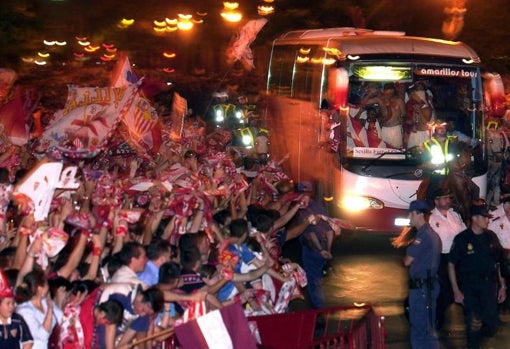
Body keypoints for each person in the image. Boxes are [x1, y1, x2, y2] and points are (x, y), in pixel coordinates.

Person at [448, 201, 507, 349]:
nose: (488, 220)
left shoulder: (491, 237)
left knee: (491, 323)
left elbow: (499, 262)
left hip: (489, 286)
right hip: (470, 287)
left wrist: (503, 286)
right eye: (484, 217)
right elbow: (451, 265)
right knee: (473, 323)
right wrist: (456, 290)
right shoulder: (462, 239)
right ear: (474, 218)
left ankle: (481, 338)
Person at [403, 200, 441, 349]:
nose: (408, 217)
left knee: (421, 328)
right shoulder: (428, 233)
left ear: (418, 214)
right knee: (425, 328)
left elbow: (407, 261)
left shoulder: (423, 236)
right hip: (426, 286)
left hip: (423, 289)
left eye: (410, 213)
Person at [428, 187, 466, 330]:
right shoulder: (431, 218)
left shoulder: (454, 215)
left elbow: (463, 233)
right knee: (444, 290)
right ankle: (437, 317)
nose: (448, 200)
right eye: (444, 198)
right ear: (436, 201)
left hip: (456, 257)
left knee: (456, 288)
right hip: (440, 258)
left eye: (449, 198)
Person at [15, 270, 63, 349]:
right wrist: (50, 310)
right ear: (40, 289)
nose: (48, 287)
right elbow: (42, 335)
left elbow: (62, 319)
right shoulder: (24, 311)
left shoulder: (46, 302)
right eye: (47, 284)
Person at [0, 268, 33, 349]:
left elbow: (28, 341)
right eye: (8, 304)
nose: (12, 306)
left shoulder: (17, 320)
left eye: (13, 303)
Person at [380, 82, 405, 148]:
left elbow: (404, 114)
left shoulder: (399, 101)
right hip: (384, 129)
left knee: (396, 150)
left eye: (390, 93)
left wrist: (401, 119)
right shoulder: (381, 100)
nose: (388, 95)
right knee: (383, 150)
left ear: (393, 91)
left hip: (395, 129)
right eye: (387, 93)